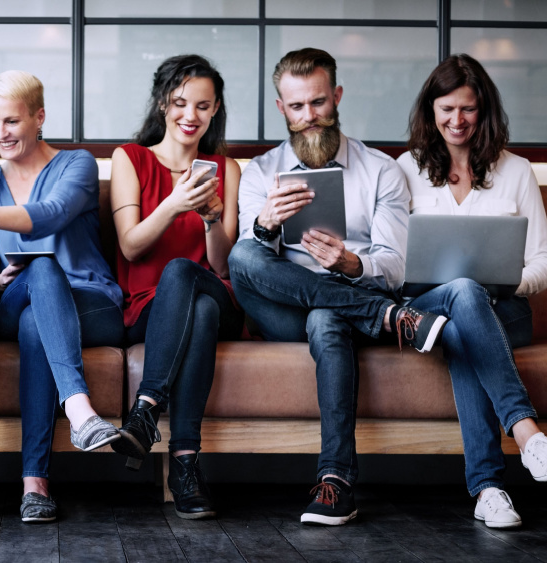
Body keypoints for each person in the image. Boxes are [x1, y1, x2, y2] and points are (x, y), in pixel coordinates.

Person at [227, 48, 449, 526]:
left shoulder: (381, 170)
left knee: (327, 318)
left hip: (344, 304)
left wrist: (350, 263)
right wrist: (265, 224)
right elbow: (248, 267)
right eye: (297, 106)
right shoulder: (260, 173)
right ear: (282, 108)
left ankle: (337, 482)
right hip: (284, 309)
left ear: (338, 97)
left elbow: (394, 268)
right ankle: (392, 319)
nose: (310, 117)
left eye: (319, 103)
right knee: (243, 253)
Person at [0, 70, 125, 523]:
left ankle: (35, 485)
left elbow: (50, 216)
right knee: (37, 279)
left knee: (42, 291)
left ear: (39, 117)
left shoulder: (78, 164)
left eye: (11, 121)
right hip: (14, 299)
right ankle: (81, 411)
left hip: (90, 301)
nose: (0, 134)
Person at [397, 54, 547, 529]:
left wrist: (504, 282)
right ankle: (527, 436)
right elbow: (390, 262)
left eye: (467, 110)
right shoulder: (405, 169)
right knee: (461, 293)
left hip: (504, 310)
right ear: (430, 111)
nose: (456, 121)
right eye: (446, 109)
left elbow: (543, 263)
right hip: (426, 309)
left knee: (466, 320)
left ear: (484, 112)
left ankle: (487, 489)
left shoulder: (517, 171)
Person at [109, 54, 244, 519]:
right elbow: (129, 247)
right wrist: (172, 204)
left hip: (216, 293)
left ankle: (145, 411)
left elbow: (223, 266)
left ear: (215, 109)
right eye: (181, 103)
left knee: (191, 278)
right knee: (186, 293)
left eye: (203, 107)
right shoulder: (132, 159)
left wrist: (209, 218)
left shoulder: (227, 169)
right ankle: (185, 465)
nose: (191, 116)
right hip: (151, 305)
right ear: (164, 103)